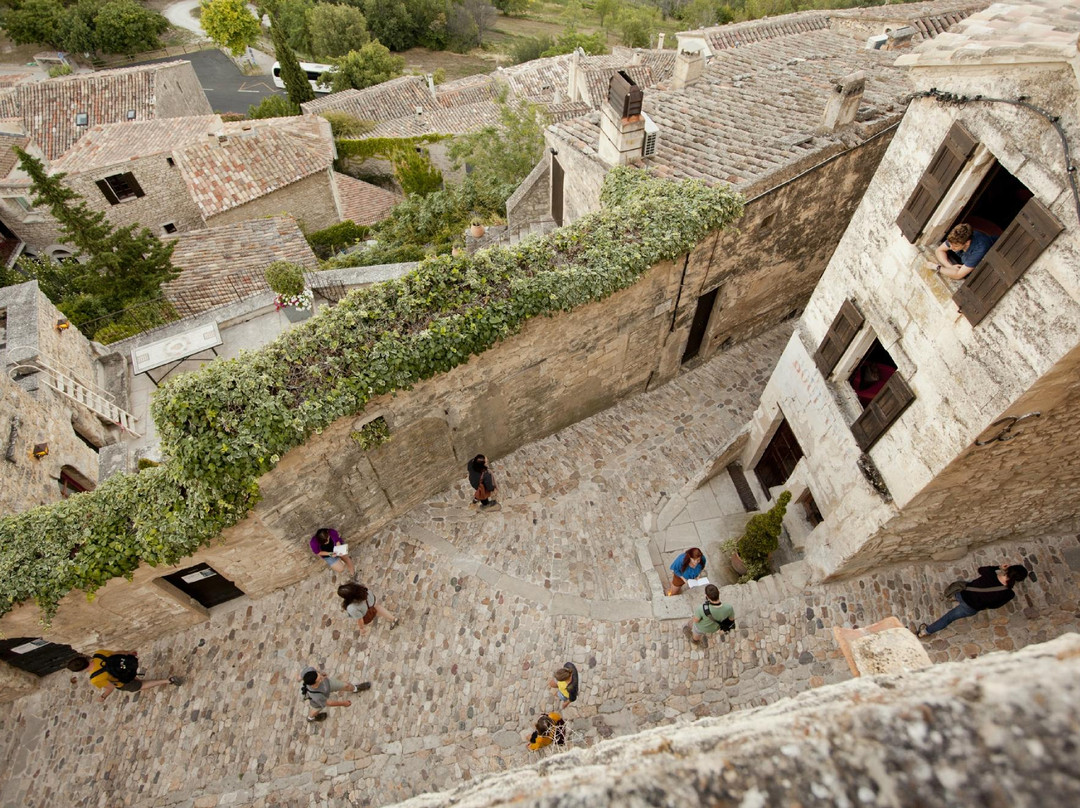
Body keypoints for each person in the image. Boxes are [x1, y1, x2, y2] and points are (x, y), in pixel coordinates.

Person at [918, 563, 1029, 637]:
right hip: (970, 608)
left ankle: (951, 597)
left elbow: (981, 569)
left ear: (1008, 570)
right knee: (948, 618)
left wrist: (998, 567)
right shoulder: (1009, 593)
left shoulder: (990, 574)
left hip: (963, 594)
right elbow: (995, 606)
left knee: (965, 583)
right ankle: (925, 632)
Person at [67, 650, 181, 702]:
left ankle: (167, 680)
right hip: (127, 667)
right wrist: (129, 653)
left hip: (122, 681)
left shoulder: (95, 679)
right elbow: (117, 653)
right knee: (133, 677)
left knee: (140, 685)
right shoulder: (99, 654)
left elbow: (110, 687)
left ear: (81, 670)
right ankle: (137, 676)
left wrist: (103, 697)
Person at [300, 666, 371, 722]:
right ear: (313, 685)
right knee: (316, 710)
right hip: (319, 699)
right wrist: (343, 703)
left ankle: (356, 688)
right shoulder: (317, 697)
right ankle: (311, 718)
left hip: (328, 685)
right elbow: (329, 703)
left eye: (319, 676)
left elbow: (300, 676)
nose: (322, 678)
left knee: (346, 685)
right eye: (320, 679)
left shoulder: (309, 671)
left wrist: (320, 673)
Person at [933, 223, 999, 280]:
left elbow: (958, 275)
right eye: (950, 244)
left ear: (967, 242)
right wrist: (949, 266)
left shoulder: (980, 249)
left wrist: (936, 267)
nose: (951, 248)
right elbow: (939, 250)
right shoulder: (957, 238)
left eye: (956, 246)